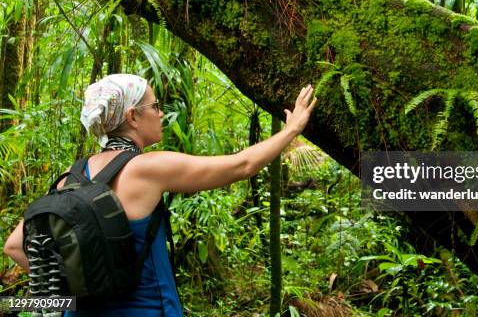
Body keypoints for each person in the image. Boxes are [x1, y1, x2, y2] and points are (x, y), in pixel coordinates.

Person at [3, 73, 317, 316]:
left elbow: (15, 246)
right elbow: (242, 166)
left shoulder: (69, 179)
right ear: (132, 117)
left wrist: (78, 288)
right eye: (154, 106)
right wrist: (292, 130)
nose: (161, 114)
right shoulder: (146, 168)